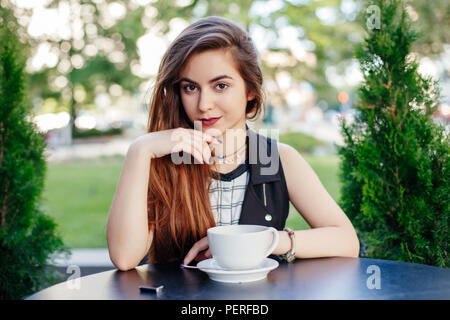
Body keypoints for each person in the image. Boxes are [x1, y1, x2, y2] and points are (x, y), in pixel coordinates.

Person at [106, 16, 359, 271]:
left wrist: (265, 241)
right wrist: (139, 151)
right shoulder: (165, 160)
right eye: (190, 88)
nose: (204, 104)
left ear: (250, 89)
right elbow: (124, 257)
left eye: (220, 85)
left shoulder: (275, 157)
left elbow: (346, 242)